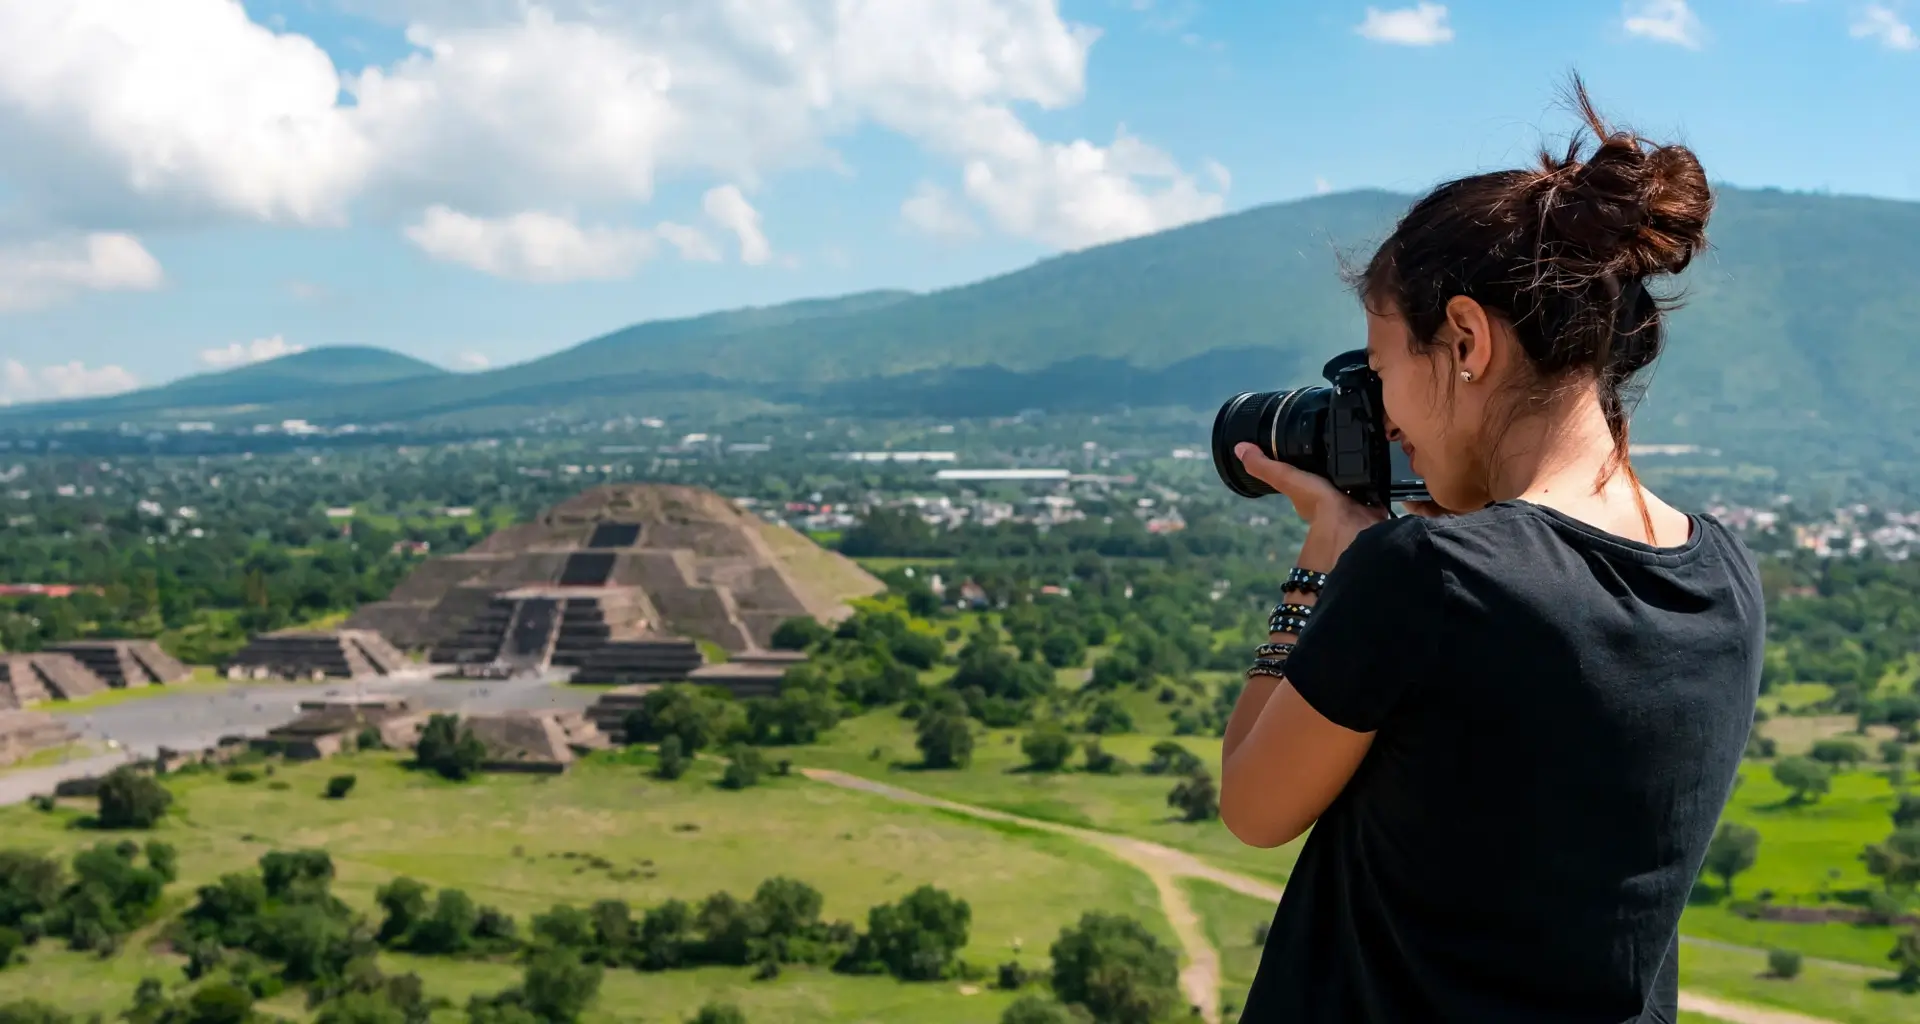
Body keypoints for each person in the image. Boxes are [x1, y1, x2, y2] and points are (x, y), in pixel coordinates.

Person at [1219, 81, 1764, 1023]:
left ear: (1466, 337)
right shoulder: (1721, 574)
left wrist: (1322, 564)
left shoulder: (1431, 577)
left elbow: (1253, 806)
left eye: (1381, 370)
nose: (1381, 415)